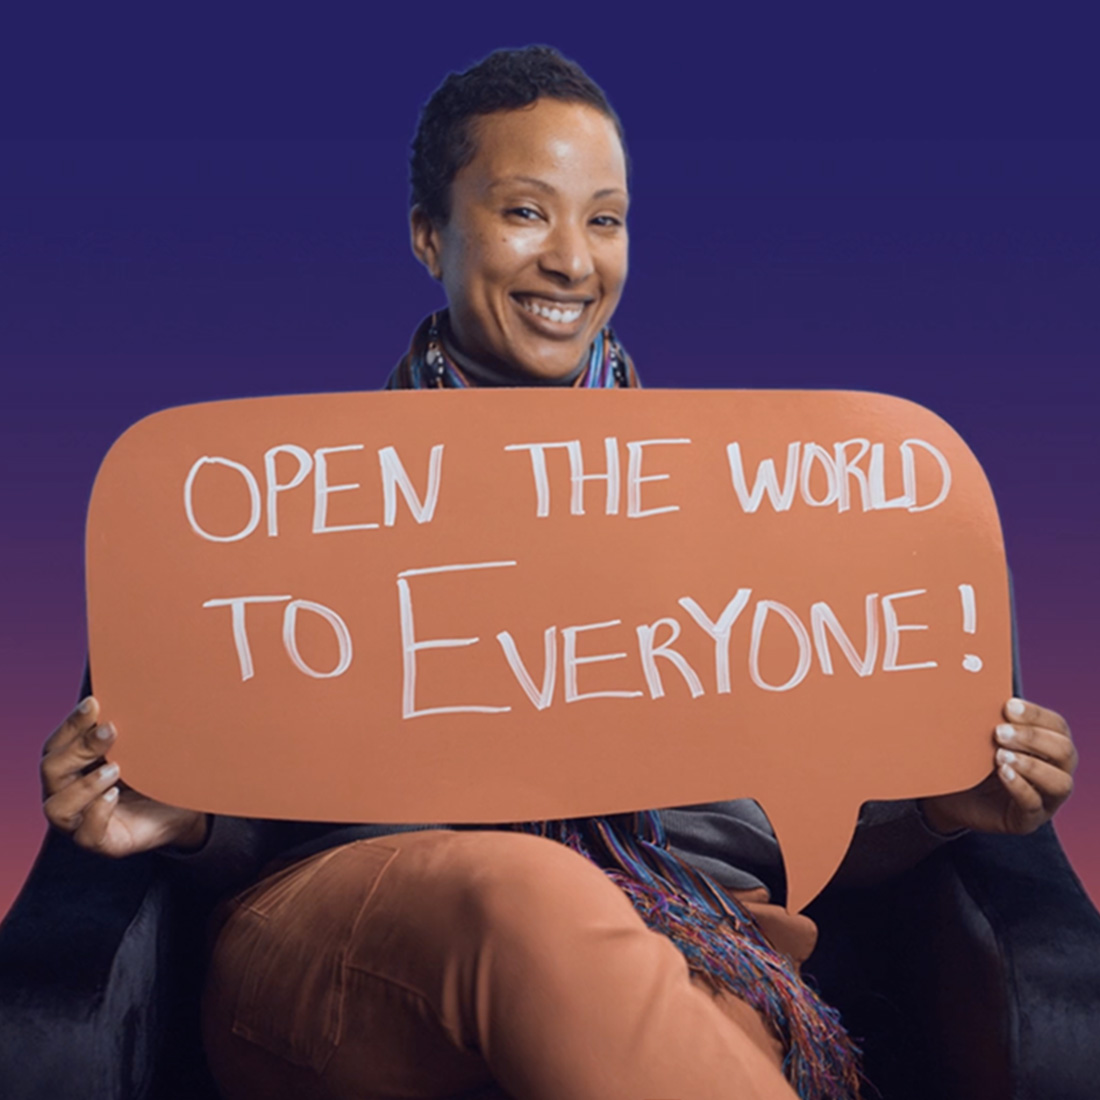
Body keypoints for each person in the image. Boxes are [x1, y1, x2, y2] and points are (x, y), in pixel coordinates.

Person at [39, 46, 1078, 1100]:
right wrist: (177, 816)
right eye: (525, 212)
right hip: (341, 945)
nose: (573, 262)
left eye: (605, 218)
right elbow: (242, 792)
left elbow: (804, 845)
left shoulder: (759, 505)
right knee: (526, 884)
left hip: (691, 958)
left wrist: (947, 807)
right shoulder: (286, 503)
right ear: (427, 234)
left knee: (612, 964)